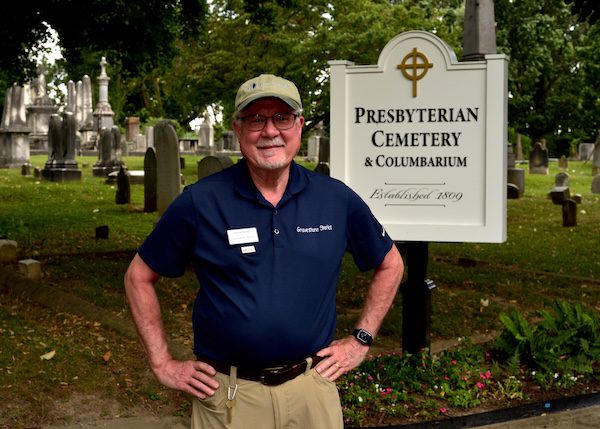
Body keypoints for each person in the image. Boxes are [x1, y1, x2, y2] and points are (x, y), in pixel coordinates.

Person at [124, 74, 404, 428]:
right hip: (229, 395)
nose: (270, 131)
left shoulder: (335, 200)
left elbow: (390, 263)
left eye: (281, 118)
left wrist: (361, 339)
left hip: (311, 391)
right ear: (238, 129)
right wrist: (162, 362)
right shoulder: (201, 202)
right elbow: (138, 276)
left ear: (299, 126)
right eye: (256, 119)